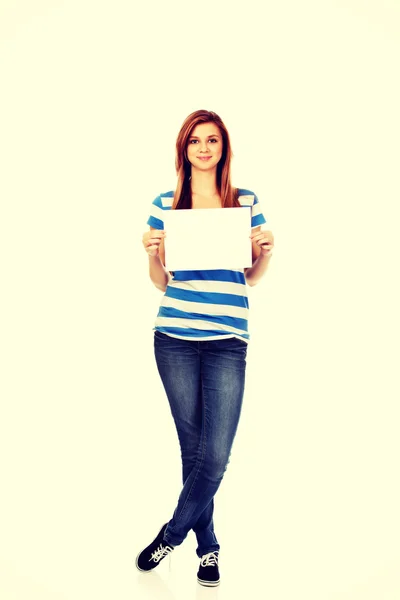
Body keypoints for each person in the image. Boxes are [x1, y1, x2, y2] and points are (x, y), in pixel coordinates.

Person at [135, 109, 274, 587]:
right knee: (193, 450)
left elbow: (251, 278)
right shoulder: (166, 202)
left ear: (223, 147)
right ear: (184, 148)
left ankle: (171, 535)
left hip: (227, 340)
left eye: (212, 140)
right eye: (196, 141)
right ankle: (208, 549)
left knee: (214, 455)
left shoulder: (245, 201)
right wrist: (152, 252)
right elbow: (160, 283)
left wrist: (266, 251)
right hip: (174, 337)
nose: (204, 148)